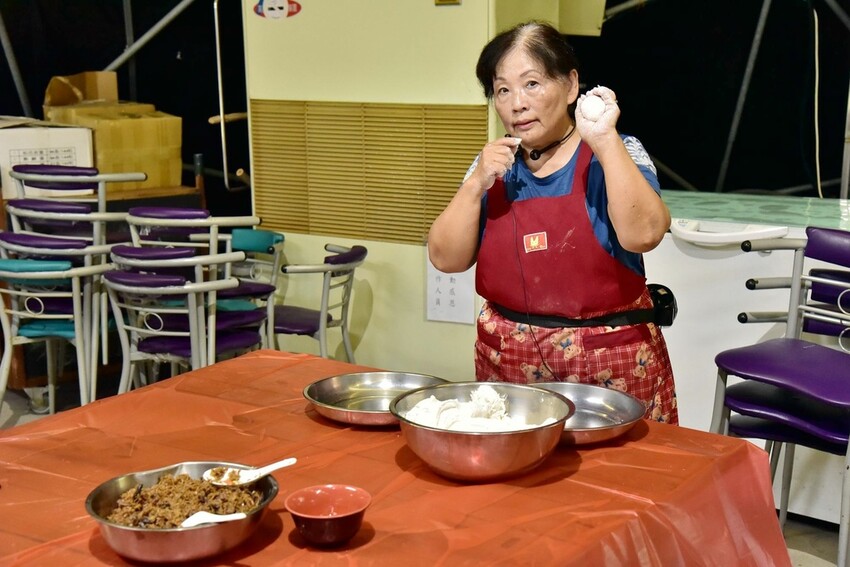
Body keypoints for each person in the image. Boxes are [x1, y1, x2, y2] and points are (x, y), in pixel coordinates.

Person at [427, 21, 677, 424]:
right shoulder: (492, 166)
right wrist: (475, 184)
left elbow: (645, 234)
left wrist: (605, 141)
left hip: (610, 364)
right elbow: (445, 258)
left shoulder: (618, 150)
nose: (516, 104)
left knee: (623, 482)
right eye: (502, 90)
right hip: (510, 362)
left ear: (571, 85)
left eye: (532, 84)